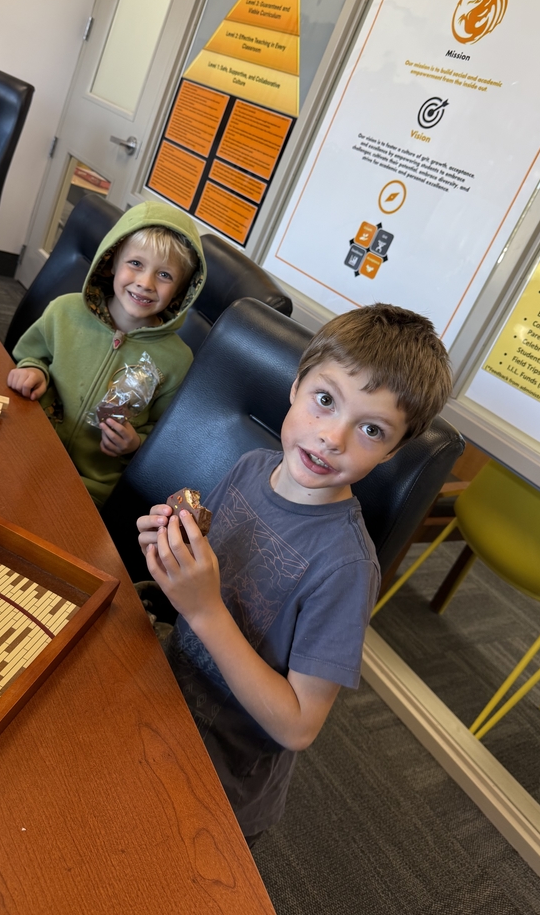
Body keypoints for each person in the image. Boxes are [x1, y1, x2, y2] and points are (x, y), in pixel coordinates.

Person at [136, 304, 452, 843]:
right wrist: (173, 548)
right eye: (325, 400)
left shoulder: (347, 568)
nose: (333, 438)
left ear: (394, 450)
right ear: (296, 385)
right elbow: (212, 575)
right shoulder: (252, 467)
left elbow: (299, 724)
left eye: (371, 429)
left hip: (222, 776)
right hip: (163, 702)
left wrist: (202, 608)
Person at [8, 201, 205, 508]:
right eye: (136, 264)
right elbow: (32, 355)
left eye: (165, 275)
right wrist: (33, 369)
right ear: (112, 262)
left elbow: (167, 437)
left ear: (181, 291)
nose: (145, 283)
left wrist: (135, 444)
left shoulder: (178, 360)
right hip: (26, 448)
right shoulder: (64, 311)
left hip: (91, 489)